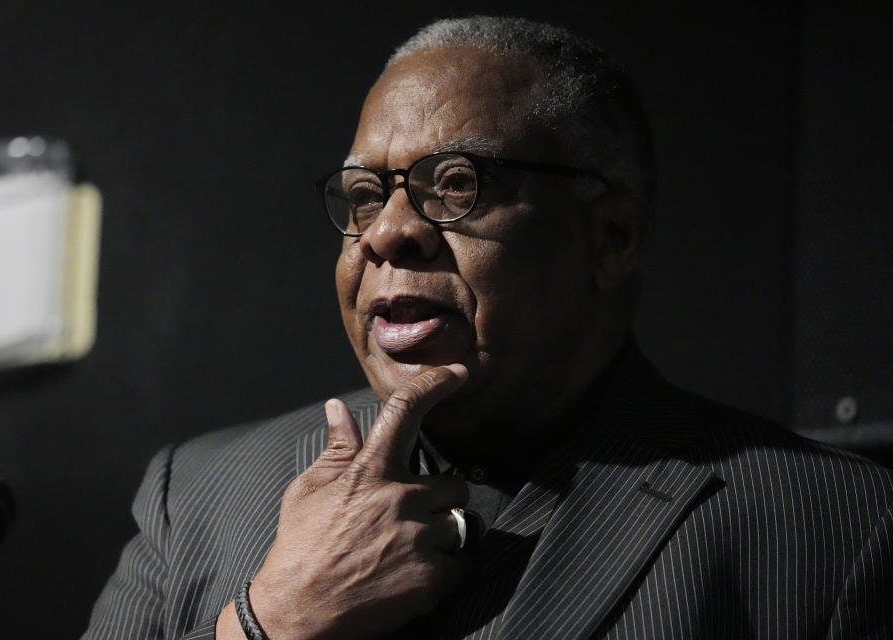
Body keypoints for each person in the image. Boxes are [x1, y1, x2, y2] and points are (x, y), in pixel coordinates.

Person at [83, 16, 893, 640]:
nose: (387, 232)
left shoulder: (833, 526)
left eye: (457, 184)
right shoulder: (195, 495)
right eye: (365, 196)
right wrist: (276, 620)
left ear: (611, 237)